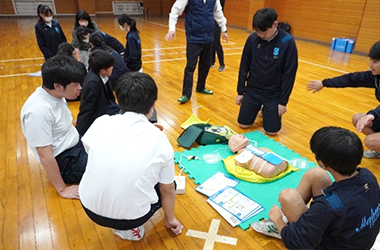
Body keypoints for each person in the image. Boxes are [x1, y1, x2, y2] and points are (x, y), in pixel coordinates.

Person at [79, 72, 184, 241]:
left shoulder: (101, 122)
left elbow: (91, 151)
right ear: (153, 104)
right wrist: (170, 219)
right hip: (131, 218)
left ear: (119, 100)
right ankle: (130, 229)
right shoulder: (159, 139)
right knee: (169, 183)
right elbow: (167, 189)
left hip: (88, 207)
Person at [251, 126, 380, 250]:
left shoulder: (330, 205)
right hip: (356, 237)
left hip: (332, 244)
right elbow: (338, 206)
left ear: (323, 164)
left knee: (287, 196)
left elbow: (295, 241)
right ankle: (299, 221)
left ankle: (286, 225)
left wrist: (278, 220)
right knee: (316, 174)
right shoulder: (367, 175)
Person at [20, 55, 87, 199]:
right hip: (66, 160)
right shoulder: (38, 111)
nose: (80, 88)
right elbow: (45, 156)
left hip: (76, 144)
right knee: (111, 170)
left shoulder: (56, 94)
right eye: (75, 84)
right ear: (58, 86)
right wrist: (62, 190)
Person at [307, 40, 380, 159]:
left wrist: (373, 114)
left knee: (370, 141)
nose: (370, 64)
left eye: (375, 62)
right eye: (370, 60)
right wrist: (324, 83)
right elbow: (351, 79)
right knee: (358, 119)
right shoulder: (375, 76)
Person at [236, 8, 298, 135]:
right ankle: (259, 108)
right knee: (243, 124)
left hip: (273, 94)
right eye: (257, 32)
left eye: (264, 32)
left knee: (272, 132)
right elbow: (244, 66)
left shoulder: (287, 42)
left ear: (275, 25)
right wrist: (240, 91)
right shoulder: (252, 39)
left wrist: (282, 102)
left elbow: (289, 74)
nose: (261, 35)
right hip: (253, 90)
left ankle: (266, 110)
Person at [165, 0, 228, 104]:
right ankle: (186, 94)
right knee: (190, 67)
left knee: (205, 65)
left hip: (208, 37)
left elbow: (218, 13)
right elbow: (175, 10)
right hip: (193, 38)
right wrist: (172, 28)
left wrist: (224, 29)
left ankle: (200, 87)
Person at [76, 50, 119, 137]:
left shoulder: (103, 76)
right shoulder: (92, 83)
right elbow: (86, 108)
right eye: (111, 67)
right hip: (101, 116)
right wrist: (80, 133)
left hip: (109, 107)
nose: (112, 68)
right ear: (102, 70)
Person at [211, 0, 226, 72]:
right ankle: (211, 61)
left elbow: (218, 12)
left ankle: (222, 64)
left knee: (216, 43)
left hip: (217, 22)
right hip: (210, 21)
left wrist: (224, 29)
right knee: (211, 42)